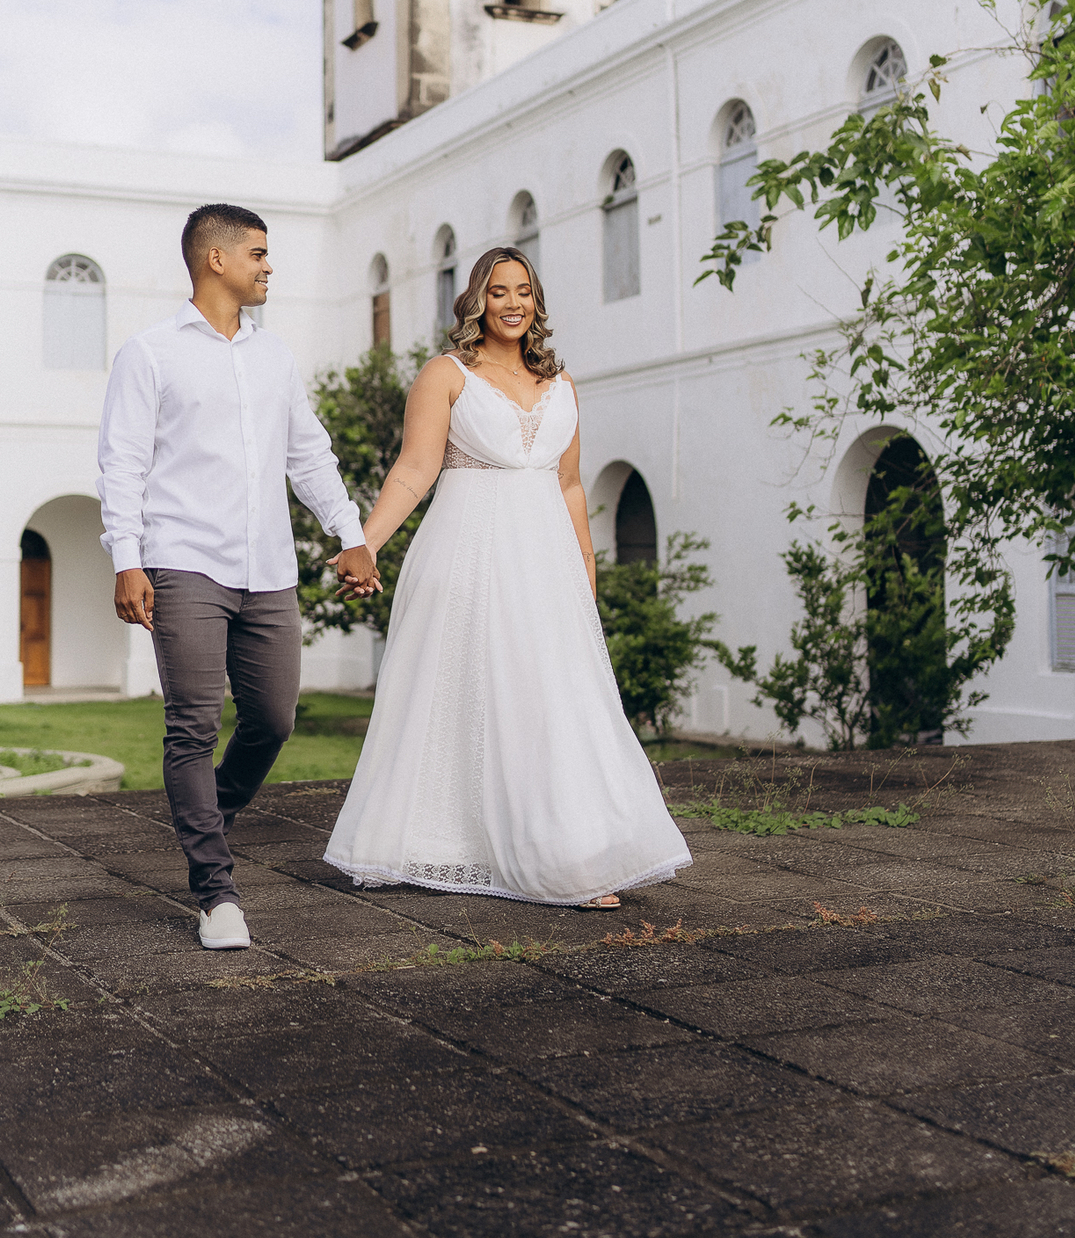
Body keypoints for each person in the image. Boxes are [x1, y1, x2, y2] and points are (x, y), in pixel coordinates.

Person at [325, 247, 691, 908]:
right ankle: (450, 846)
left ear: (537, 301)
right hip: (469, 551)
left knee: (553, 697)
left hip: (547, 561)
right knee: (468, 697)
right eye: (499, 292)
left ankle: (569, 850)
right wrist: (364, 542)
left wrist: (586, 570)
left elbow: (573, 485)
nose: (513, 303)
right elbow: (413, 470)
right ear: (476, 300)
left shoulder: (563, 383)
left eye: (524, 291)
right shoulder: (447, 375)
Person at [97, 203, 378, 950]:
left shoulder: (273, 355)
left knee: (275, 717)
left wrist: (350, 535)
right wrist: (126, 557)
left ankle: (204, 817)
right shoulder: (150, 354)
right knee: (192, 723)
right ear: (215, 259)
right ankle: (216, 891)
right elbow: (122, 463)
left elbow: (309, 454)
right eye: (257, 253)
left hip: (269, 570)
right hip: (184, 561)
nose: (268, 265)